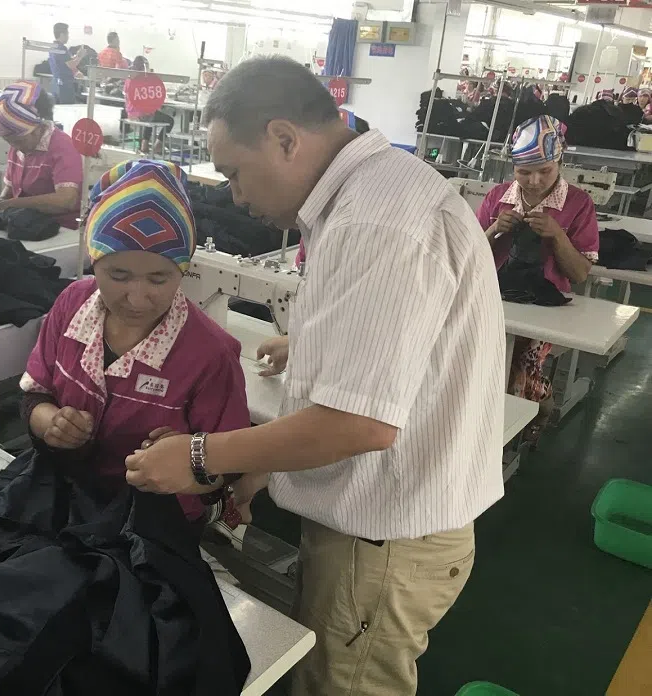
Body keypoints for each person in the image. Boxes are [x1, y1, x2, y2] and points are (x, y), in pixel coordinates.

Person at [122, 56, 505, 696]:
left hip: (382, 538)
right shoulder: (377, 193)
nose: (237, 197)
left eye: (235, 174)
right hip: (386, 527)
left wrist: (200, 455)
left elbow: (360, 423)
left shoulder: (374, 222)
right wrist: (270, 449)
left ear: (283, 138)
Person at [20, 159, 249, 532]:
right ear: (94, 262)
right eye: (118, 275)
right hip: (66, 495)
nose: (137, 299)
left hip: (152, 526)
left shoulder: (211, 355)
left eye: (159, 278)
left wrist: (191, 457)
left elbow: (231, 463)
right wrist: (51, 423)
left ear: (183, 268)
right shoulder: (71, 303)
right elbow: (34, 394)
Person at [477, 115, 598, 433]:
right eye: (523, 172)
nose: (533, 181)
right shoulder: (497, 198)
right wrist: (492, 231)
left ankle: (519, 426)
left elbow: (581, 273)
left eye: (544, 171)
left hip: (547, 309)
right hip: (495, 298)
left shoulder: (578, 204)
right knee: (477, 362)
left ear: (560, 161)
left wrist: (557, 236)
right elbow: (467, 256)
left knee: (520, 372)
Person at [0, 81, 82, 229]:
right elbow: (9, 192)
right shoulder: (18, 146)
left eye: (18, 140)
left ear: (37, 128)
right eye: (9, 141)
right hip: (24, 225)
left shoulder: (63, 147)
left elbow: (66, 200)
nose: (14, 146)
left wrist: (9, 205)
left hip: (61, 230)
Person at [124, 55, 174, 154]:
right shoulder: (144, 79)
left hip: (130, 113)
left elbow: (126, 96)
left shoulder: (129, 78)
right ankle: (158, 145)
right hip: (141, 114)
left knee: (152, 114)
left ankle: (144, 144)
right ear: (143, 67)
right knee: (169, 120)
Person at [48, 23, 85, 105]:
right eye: (67, 34)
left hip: (56, 83)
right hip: (64, 84)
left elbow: (66, 61)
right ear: (62, 34)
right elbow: (71, 65)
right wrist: (80, 57)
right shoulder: (61, 48)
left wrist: (77, 56)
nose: (68, 36)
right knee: (67, 109)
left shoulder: (53, 46)